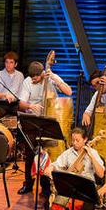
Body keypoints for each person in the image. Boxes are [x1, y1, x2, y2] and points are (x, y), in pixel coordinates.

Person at [42, 128, 105, 210]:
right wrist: (50, 167)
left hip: (86, 191)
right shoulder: (69, 153)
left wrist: (91, 156)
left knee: (86, 209)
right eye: (73, 140)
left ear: (85, 140)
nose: (74, 143)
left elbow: (101, 174)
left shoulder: (93, 152)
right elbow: (57, 163)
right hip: (71, 189)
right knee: (48, 205)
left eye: (77, 140)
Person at [17, 61, 73, 194]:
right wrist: (30, 106)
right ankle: (28, 183)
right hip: (34, 121)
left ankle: (47, 186)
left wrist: (53, 77)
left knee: (49, 153)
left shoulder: (50, 78)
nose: (33, 79)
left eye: (35, 77)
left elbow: (68, 91)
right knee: (30, 153)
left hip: (50, 121)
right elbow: (21, 104)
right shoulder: (27, 82)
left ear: (42, 74)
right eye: (31, 77)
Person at [0, 51, 24, 120]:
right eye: (6, 62)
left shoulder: (20, 75)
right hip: (0, 104)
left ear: (15, 64)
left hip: (14, 104)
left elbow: (21, 94)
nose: (8, 64)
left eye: (11, 62)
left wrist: (15, 98)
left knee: (23, 118)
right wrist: (4, 95)